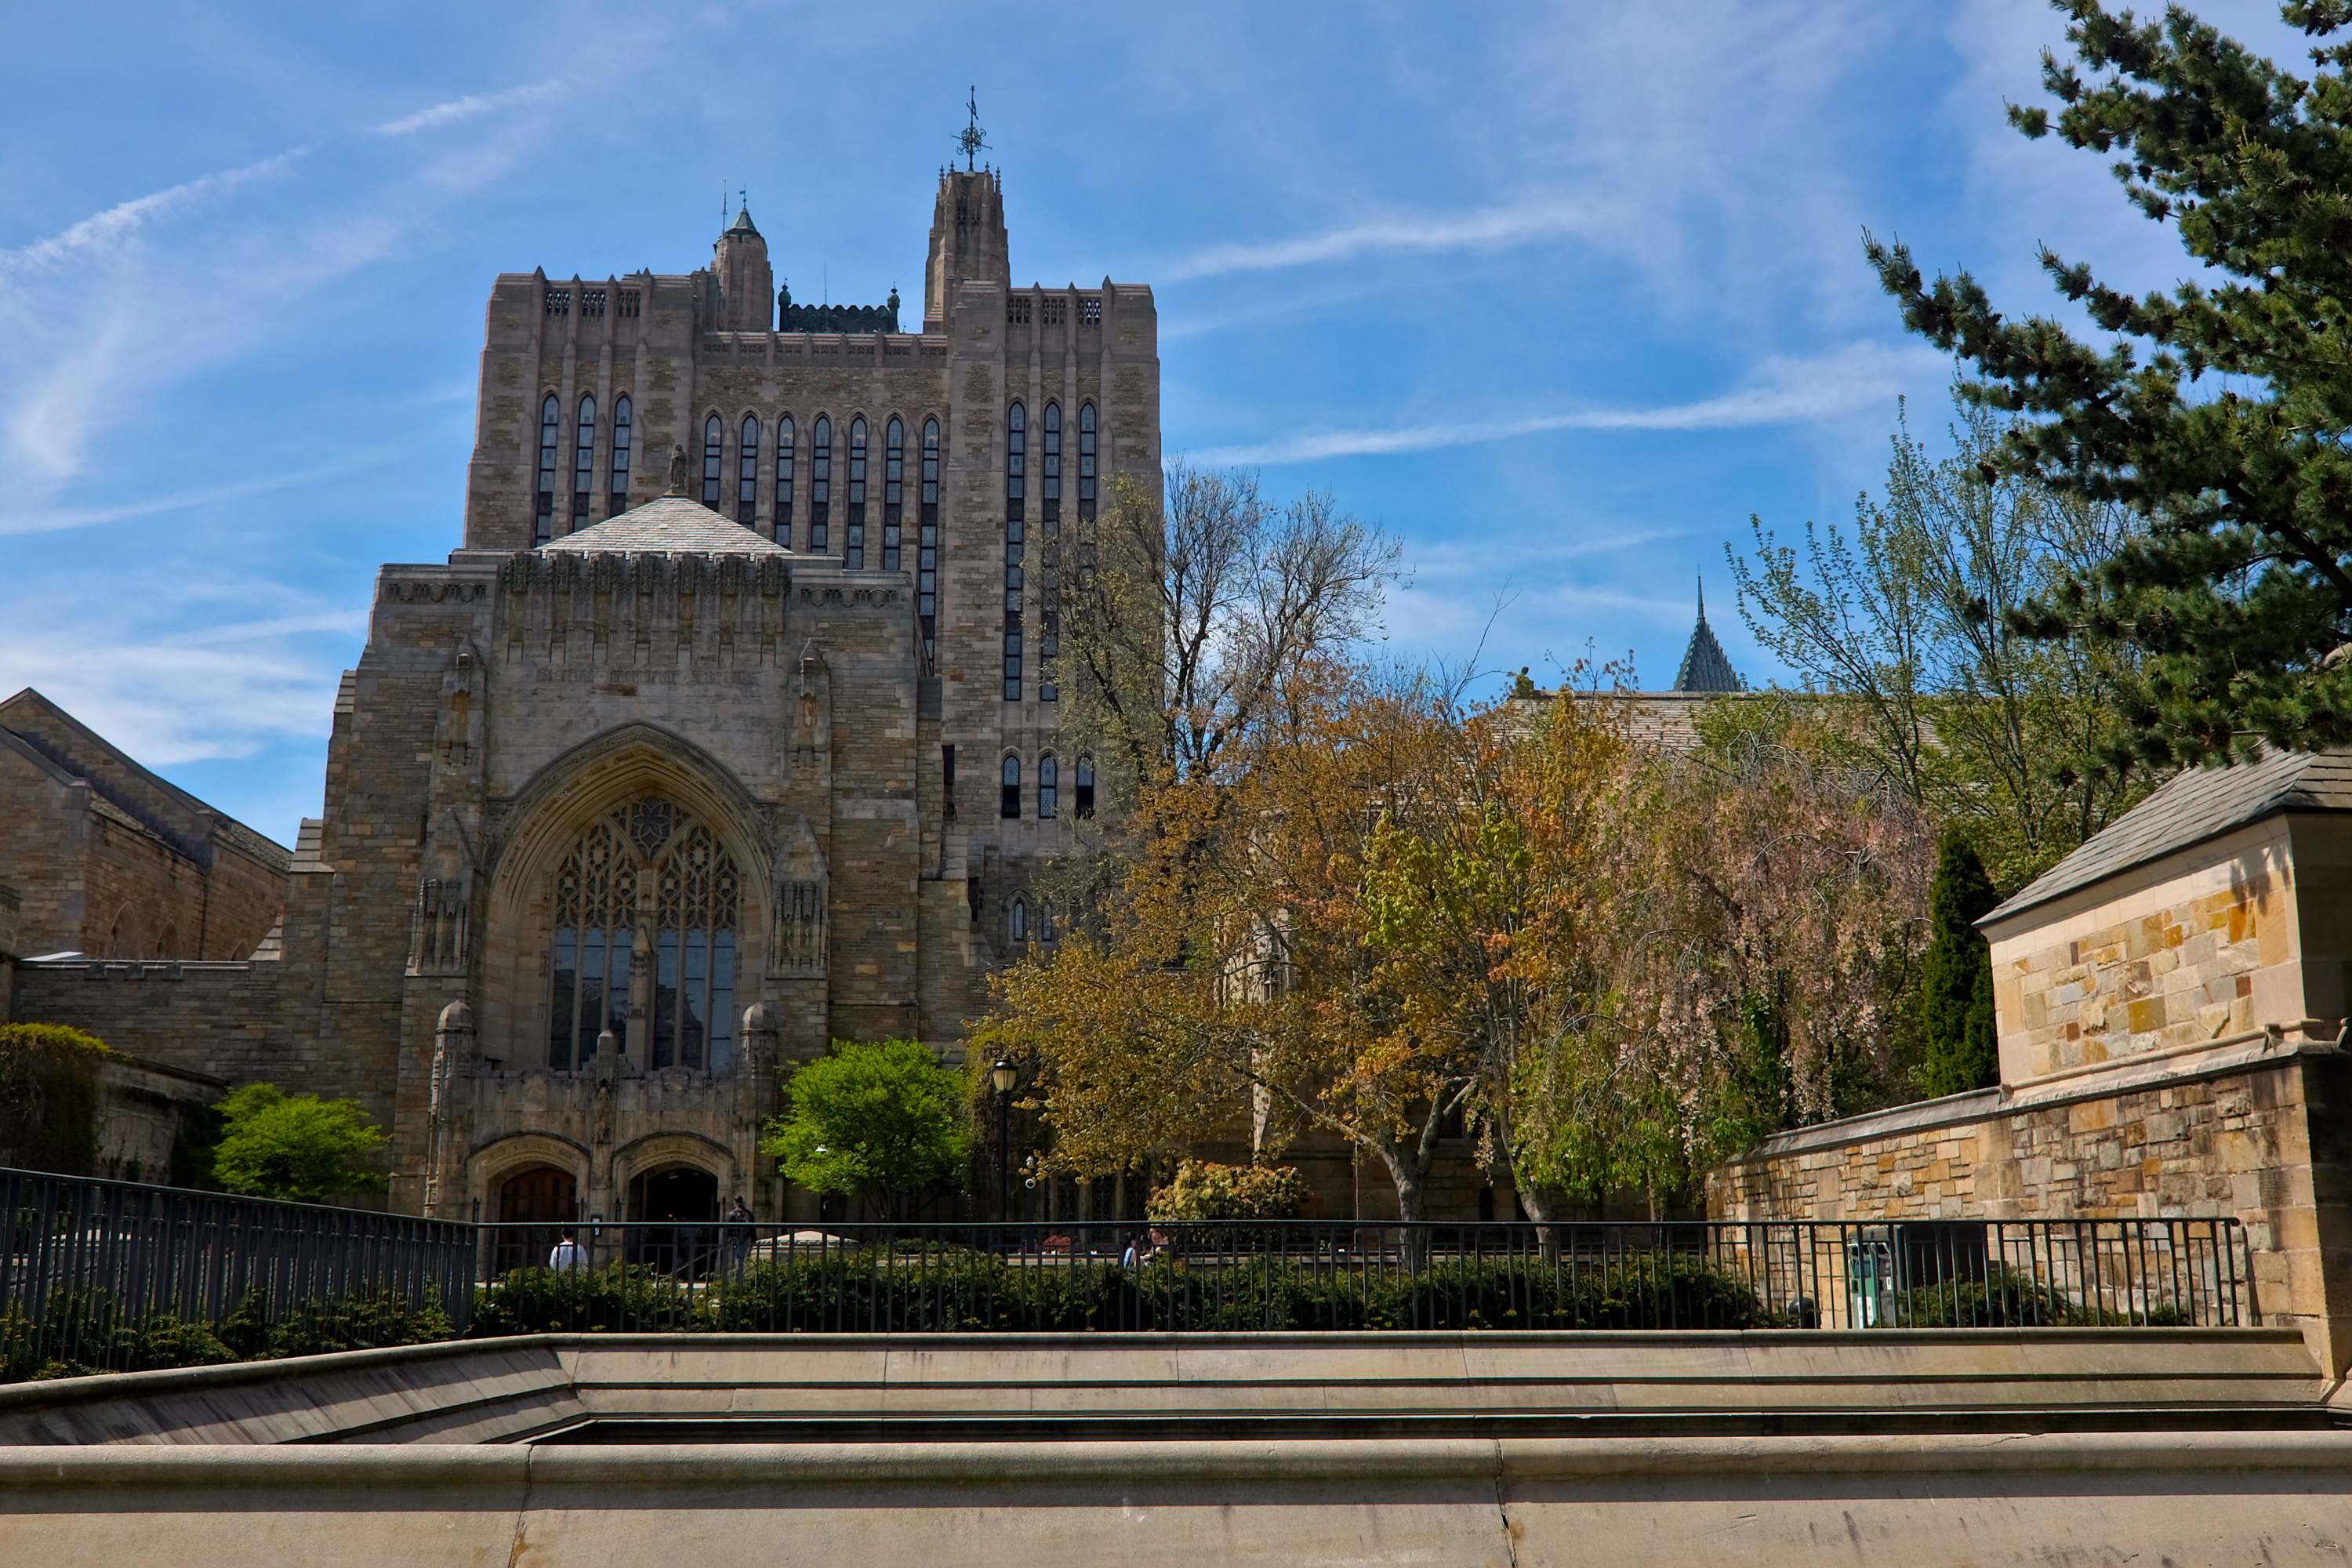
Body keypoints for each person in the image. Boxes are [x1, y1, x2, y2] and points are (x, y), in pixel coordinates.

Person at [723, 1197, 753, 1273]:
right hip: (746, 1238)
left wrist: (726, 1239)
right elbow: (753, 1228)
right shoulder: (748, 1214)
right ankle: (741, 1275)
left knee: (738, 1258)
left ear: (735, 1201)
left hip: (736, 1238)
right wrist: (753, 1240)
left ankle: (738, 1276)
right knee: (743, 1257)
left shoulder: (732, 1214)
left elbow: (727, 1228)